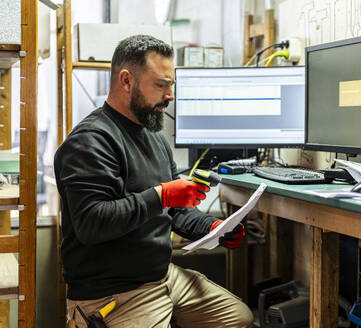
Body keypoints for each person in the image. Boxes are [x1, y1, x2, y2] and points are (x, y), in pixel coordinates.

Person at [54, 34, 253, 328]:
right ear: (126, 81)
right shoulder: (90, 142)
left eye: (170, 85)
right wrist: (161, 195)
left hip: (162, 277)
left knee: (239, 318)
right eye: (160, 85)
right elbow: (91, 224)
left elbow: (176, 210)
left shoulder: (154, 138)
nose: (169, 95)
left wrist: (213, 228)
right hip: (113, 293)